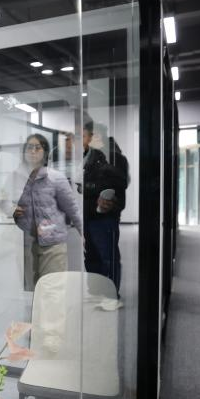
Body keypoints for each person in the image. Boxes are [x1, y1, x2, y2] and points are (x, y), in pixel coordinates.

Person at [12, 133, 82, 284]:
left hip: (53, 245)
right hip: (28, 243)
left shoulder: (56, 178)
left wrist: (84, 234)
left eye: (38, 148)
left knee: (52, 288)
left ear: (45, 152)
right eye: (29, 147)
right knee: (33, 289)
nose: (33, 151)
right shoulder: (18, 178)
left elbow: (73, 209)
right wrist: (13, 211)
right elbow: (5, 202)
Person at [80, 122, 129, 310]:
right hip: (88, 214)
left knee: (108, 256)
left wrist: (88, 186)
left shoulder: (115, 157)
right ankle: (96, 292)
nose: (84, 140)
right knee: (91, 256)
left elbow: (119, 183)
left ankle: (111, 295)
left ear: (98, 137)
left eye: (87, 136)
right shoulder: (88, 157)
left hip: (105, 216)